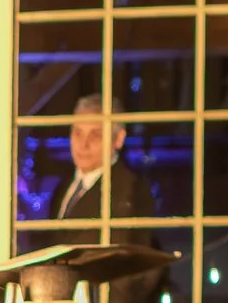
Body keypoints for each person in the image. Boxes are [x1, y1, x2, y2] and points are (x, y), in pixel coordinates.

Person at [51, 94, 153, 225]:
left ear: (118, 139)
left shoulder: (132, 191)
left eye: (96, 135)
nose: (83, 144)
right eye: (78, 133)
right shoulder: (63, 186)